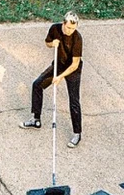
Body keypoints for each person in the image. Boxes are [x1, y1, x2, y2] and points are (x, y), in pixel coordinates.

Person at [22, 12, 83, 147]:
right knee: (37, 85)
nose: (70, 31)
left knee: (74, 100)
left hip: (72, 70)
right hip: (58, 65)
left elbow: (75, 64)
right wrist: (52, 44)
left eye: (73, 28)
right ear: (63, 23)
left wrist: (60, 77)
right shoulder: (55, 29)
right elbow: (47, 42)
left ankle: (77, 133)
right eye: (68, 28)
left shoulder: (77, 38)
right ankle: (36, 119)